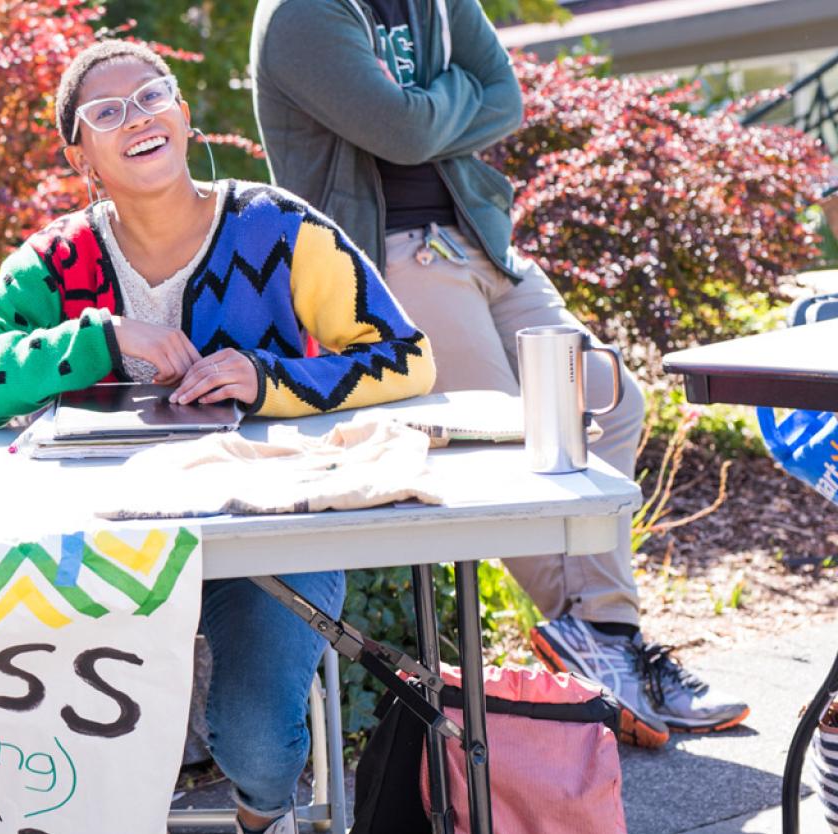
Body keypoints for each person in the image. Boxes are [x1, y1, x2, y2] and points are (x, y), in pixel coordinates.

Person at [0, 41, 434, 834]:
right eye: (107, 112)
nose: (136, 117)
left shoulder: (276, 226)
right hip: (99, 545)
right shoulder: (58, 260)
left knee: (261, 743)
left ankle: (261, 817)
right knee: (54, 740)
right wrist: (100, 339)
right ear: (81, 154)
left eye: (151, 95)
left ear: (184, 111)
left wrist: (269, 380)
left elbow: (407, 357)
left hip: (269, 528)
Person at [248, 0, 747, 745]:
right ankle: (604, 643)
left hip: (481, 241)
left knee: (611, 402)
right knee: (507, 439)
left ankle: (600, 635)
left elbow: (505, 99)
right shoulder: (302, 14)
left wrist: (429, 106)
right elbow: (402, 132)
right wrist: (451, 98)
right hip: (386, 258)